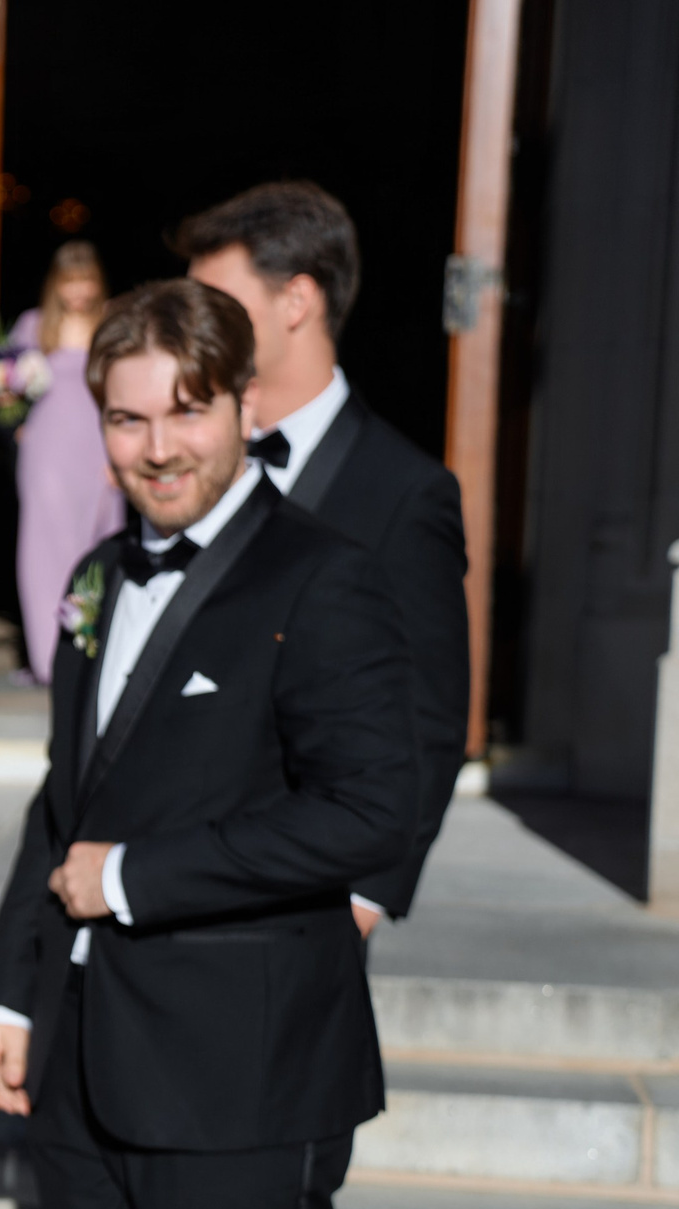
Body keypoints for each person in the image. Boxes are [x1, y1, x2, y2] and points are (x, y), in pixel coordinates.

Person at [0, 281, 417, 1209]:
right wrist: (11, 992)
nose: (157, 446)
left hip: (242, 1076)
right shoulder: (97, 578)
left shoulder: (324, 576)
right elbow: (65, 799)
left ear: (242, 405)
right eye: (126, 418)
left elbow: (368, 809)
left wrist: (140, 878)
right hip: (86, 1069)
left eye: (185, 411)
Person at [177, 180, 470, 933]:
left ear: (297, 301)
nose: (191, 325)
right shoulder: (178, 461)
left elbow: (430, 718)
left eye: (215, 302)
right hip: (164, 876)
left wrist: (365, 899)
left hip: (304, 900)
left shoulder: (405, 493)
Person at [0, 241, 128, 683]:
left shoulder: (111, 321)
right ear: (57, 283)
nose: (78, 291)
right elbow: (2, 385)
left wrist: (122, 453)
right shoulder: (34, 325)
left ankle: (94, 651)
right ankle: (48, 660)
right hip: (48, 450)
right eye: (70, 281)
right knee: (45, 548)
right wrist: (15, 418)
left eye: (85, 280)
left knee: (98, 544)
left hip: (97, 446)